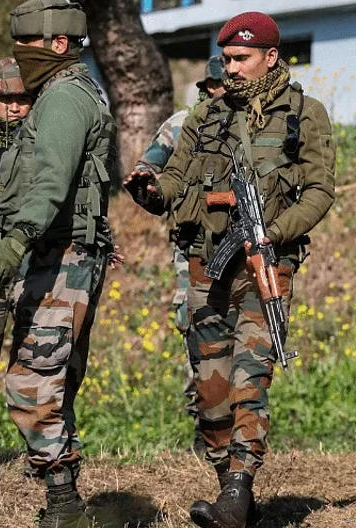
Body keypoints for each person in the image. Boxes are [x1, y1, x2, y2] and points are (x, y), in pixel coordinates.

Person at [126, 11, 335, 528]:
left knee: (251, 375)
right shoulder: (206, 116)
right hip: (205, 263)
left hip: (265, 262)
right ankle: (229, 487)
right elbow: (174, 177)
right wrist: (152, 191)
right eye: (228, 59)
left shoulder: (303, 114)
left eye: (242, 59)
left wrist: (275, 231)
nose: (233, 68)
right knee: (209, 387)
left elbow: (320, 190)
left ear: (270, 57)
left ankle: (240, 484)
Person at [0, 0, 115, 527]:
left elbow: (51, 183)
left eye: (27, 44)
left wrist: (12, 244)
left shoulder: (62, 99)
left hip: (61, 257)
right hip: (59, 253)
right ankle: (64, 502)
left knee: (30, 385)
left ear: (59, 44)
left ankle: (66, 509)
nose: (20, 55)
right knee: (54, 382)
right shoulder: (65, 93)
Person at [130, 57, 227, 441]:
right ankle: (203, 425)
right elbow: (148, 169)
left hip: (237, 242)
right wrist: (148, 185)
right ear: (207, 89)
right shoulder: (182, 125)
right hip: (192, 247)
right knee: (195, 326)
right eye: (219, 87)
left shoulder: (246, 122)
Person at [0, 57, 31, 487]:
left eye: (22, 98)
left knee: (40, 360)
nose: (15, 107)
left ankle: (43, 450)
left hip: (36, 264)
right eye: (5, 100)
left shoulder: (46, 144)